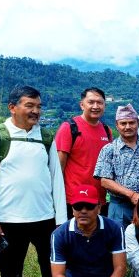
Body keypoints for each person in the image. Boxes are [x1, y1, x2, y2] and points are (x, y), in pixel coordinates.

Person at [0, 85, 66, 277]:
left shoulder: (45, 137)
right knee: (10, 273)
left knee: (53, 270)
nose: (36, 111)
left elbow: (56, 179)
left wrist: (61, 220)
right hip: (7, 221)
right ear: (12, 107)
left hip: (46, 219)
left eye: (38, 106)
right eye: (30, 105)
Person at [45, 186, 134, 277]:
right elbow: (57, 275)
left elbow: (120, 268)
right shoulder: (59, 234)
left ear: (99, 207)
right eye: (78, 206)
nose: (83, 211)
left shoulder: (115, 228)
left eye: (89, 206)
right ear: (72, 209)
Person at [55, 87, 113, 217]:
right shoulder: (69, 128)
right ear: (82, 105)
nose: (95, 106)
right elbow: (58, 168)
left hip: (99, 201)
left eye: (100, 103)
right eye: (91, 102)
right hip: (74, 201)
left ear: (105, 105)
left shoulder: (106, 130)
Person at [94, 104, 139, 228]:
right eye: (123, 123)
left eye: (131, 122)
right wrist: (131, 194)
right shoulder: (109, 149)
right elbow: (104, 181)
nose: (128, 127)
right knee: (119, 242)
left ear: (138, 123)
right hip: (119, 206)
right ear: (117, 125)